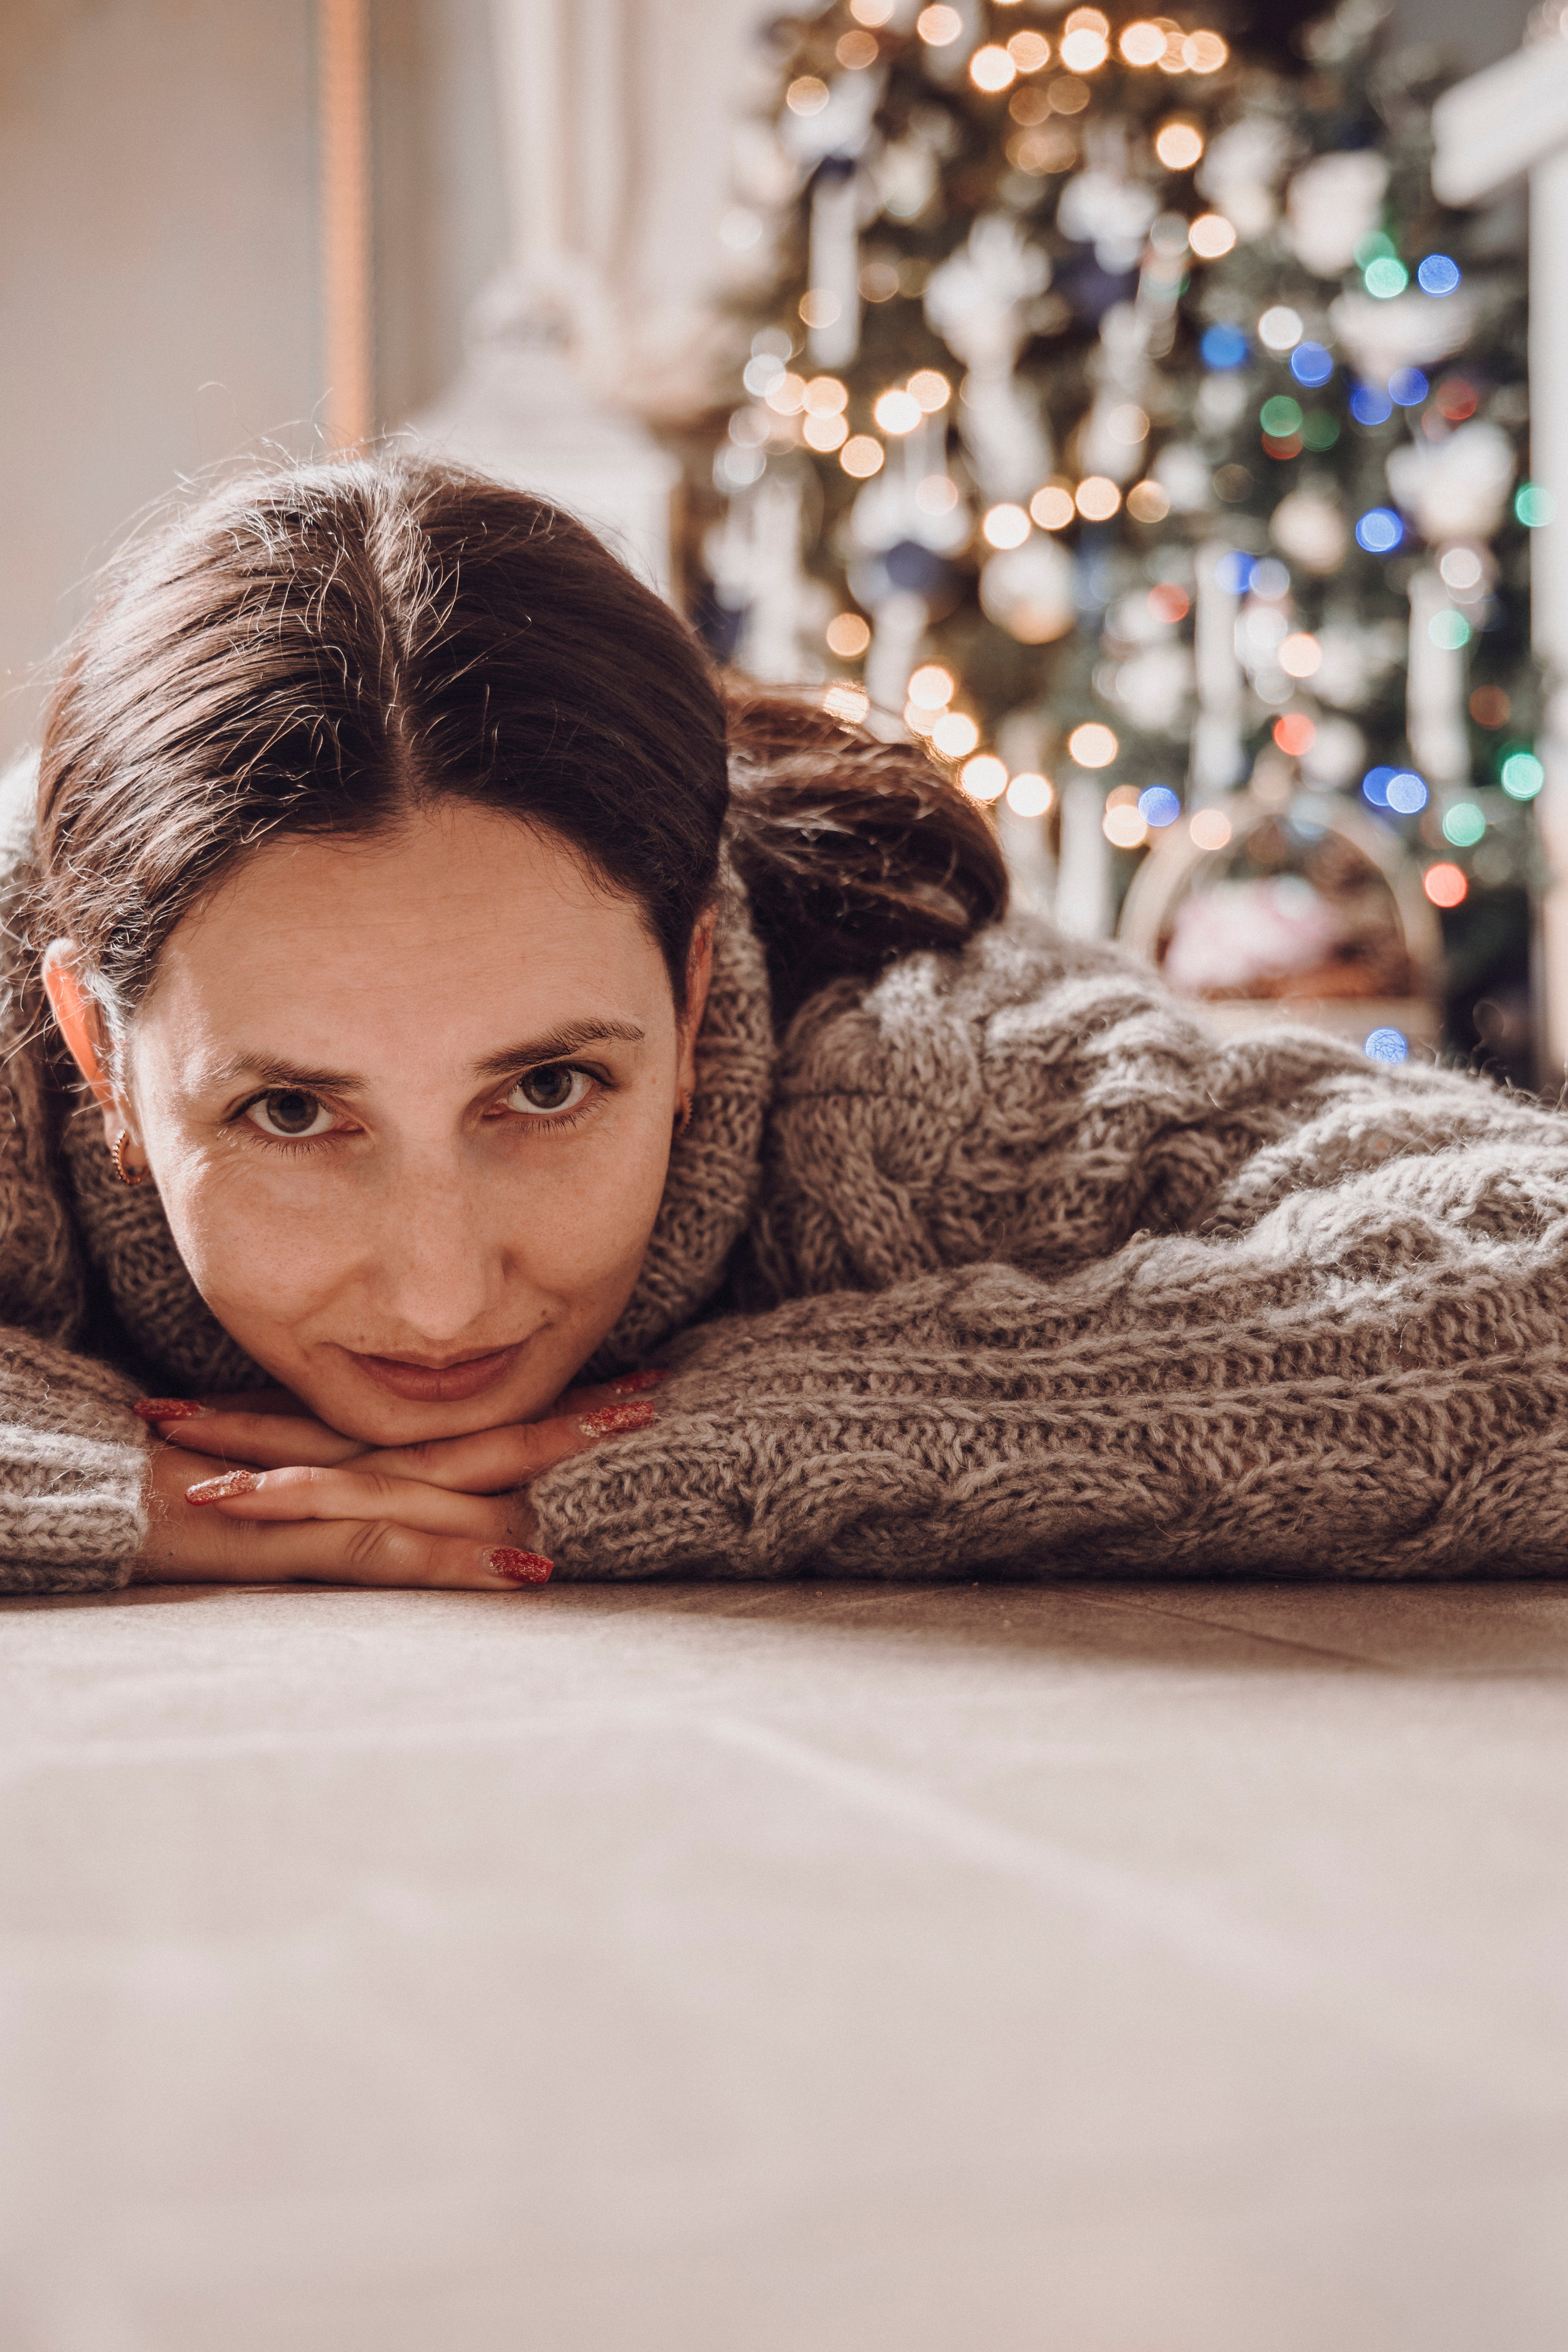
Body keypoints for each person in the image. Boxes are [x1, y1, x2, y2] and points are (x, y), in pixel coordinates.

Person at [2, 454, 1564, 1598]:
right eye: (289, 1113)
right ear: (95, 1047)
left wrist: (791, 1432)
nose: (439, 1291)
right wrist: (109, 1482)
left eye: (546, 1086)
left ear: (687, 1000)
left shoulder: (905, 1058)